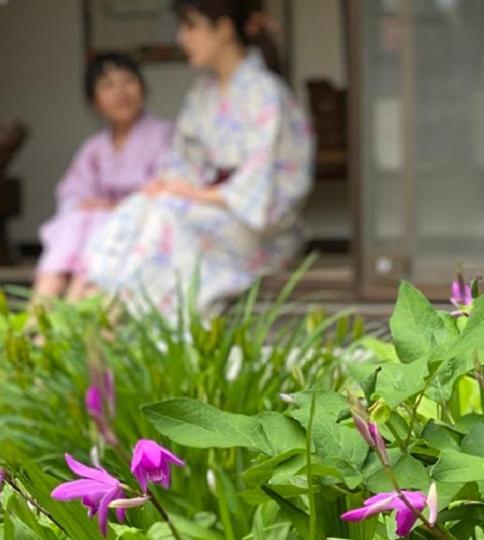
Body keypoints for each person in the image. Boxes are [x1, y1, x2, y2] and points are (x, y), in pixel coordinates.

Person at [79, 0, 314, 322]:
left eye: (190, 26)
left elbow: (261, 188)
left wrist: (186, 194)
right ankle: (96, 304)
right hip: (214, 205)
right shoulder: (203, 92)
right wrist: (167, 187)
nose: (181, 37)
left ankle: (119, 320)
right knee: (139, 208)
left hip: (257, 226)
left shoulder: (265, 92)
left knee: (167, 218)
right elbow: (182, 163)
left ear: (224, 30)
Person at [34, 53, 172, 301]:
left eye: (128, 81)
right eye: (108, 85)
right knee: (77, 220)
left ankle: (72, 308)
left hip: (141, 222)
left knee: (96, 224)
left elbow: (168, 185)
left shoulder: (164, 135)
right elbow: (73, 192)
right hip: (96, 227)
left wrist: (117, 207)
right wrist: (95, 208)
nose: (121, 92)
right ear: (94, 101)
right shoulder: (94, 147)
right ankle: (40, 306)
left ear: (143, 87)